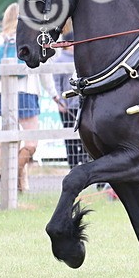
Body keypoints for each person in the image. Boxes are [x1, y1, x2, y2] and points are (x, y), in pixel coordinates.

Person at [0, 4, 57, 192]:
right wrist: (55, 95)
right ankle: (13, 175)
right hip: (27, 92)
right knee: (31, 143)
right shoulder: (33, 39)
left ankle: (14, 182)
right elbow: (44, 71)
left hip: (3, 95)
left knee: (11, 143)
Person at [51, 22, 89, 170]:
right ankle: (73, 166)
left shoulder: (82, 57)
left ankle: (85, 163)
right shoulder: (60, 60)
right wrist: (60, 101)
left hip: (82, 103)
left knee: (84, 137)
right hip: (67, 106)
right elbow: (57, 82)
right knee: (70, 137)